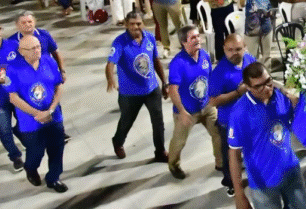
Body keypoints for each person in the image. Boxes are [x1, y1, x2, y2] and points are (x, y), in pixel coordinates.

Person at [228, 62, 306, 209]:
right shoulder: (240, 112)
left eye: (268, 82)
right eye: (259, 86)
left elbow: (297, 125)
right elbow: (234, 153)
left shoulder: (282, 97)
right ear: (248, 87)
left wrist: (297, 106)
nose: (267, 89)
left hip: (291, 170)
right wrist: (239, 195)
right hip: (263, 182)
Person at [4, 36, 68, 193]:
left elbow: (58, 86)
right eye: (32, 48)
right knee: (36, 151)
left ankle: (53, 178)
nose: (37, 50)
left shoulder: (49, 61)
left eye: (38, 46)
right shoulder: (12, 69)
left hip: (53, 117)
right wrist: (38, 113)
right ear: (21, 51)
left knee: (57, 148)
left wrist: (51, 110)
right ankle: (30, 168)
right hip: (30, 121)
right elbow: (13, 98)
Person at [106, 12, 168, 162]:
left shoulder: (150, 38)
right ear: (126, 24)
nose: (136, 27)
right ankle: (118, 142)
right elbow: (110, 64)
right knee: (127, 121)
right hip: (130, 93)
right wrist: (110, 79)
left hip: (151, 89)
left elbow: (156, 61)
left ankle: (160, 151)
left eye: (139, 23)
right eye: (132, 24)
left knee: (158, 121)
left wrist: (164, 82)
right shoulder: (119, 42)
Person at [167, 25, 221, 179]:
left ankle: (220, 162)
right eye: (193, 38)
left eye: (198, 36)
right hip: (187, 110)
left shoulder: (204, 55)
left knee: (218, 133)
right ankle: (173, 165)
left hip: (206, 105)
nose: (198, 40)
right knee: (179, 142)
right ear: (184, 42)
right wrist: (182, 111)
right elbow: (173, 90)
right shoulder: (177, 63)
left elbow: (210, 78)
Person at [209, 34, 256, 197]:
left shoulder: (250, 60)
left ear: (245, 47)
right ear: (224, 49)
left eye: (238, 49)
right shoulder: (219, 73)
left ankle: (253, 176)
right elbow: (213, 101)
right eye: (229, 50)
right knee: (231, 156)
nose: (234, 53)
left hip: (251, 118)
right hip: (229, 122)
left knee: (253, 149)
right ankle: (230, 182)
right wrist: (237, 92)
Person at [0, 18, 24, 172]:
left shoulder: (13, 46)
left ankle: (22, 134)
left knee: (25, 122)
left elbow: (25, 65)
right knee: (4, 130)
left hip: (17, 96)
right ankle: (15, 156)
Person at [9, 11, 67, 82]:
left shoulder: (44, 34)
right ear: (17, 25)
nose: (27, 24)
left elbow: (55, 53)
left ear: (35, 22)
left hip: (47, 73)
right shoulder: (11, 41)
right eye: (23, 23)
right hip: (26, 77)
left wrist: (62, 71)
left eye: (30, 22)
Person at [244, 0, 273, 65]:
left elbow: (269, 8)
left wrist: (270, 13)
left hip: (266, 29)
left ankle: (267, 75)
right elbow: (241, 4)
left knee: (267, 55)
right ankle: (254, 75)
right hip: (252, 30)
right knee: (253, 56)